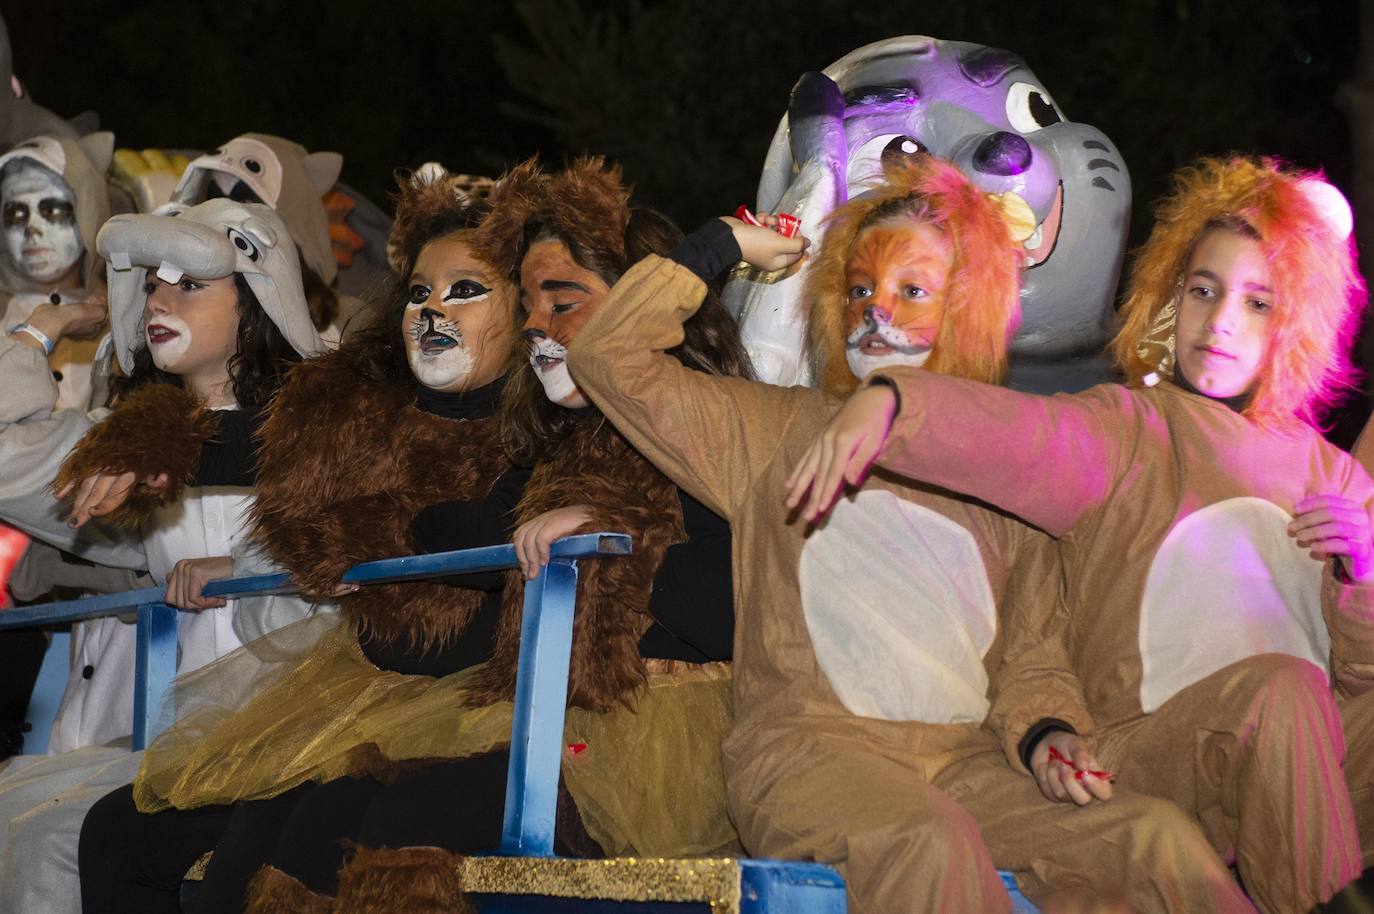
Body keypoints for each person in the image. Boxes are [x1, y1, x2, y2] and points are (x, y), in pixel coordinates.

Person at [561, 153, 1255, 913]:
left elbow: (1032, 657)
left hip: (966, 769)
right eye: (860, 289)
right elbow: (606, 357)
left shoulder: (1003, 463)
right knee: (931, 843)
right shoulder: (771, 432)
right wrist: (717, 245)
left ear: (969, 308)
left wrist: (1048, 735)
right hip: (813, 757)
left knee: (1155, 841)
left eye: (912, 290)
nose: (876, 312)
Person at [787, 156, 1374, 914]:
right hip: (1149, 755)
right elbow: (1016, 435)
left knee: (1306, 695)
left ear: (1299, 321)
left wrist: (1361, 572)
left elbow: (1358, 676)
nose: (1222, 320)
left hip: (1298, 785)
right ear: (1170, 298)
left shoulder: (1333, 475)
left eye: (1259, 302)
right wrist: (897, 402)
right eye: (1203, 290)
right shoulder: (1127, 428)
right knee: (1282, 689)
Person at [267, 156, 748, 913]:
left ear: (645, 310)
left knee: (402, 827)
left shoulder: (714, 427)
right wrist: (369, 543)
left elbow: (732, 612)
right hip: (551, 726)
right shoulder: (552, 446)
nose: (535, 326)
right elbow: (471, 540)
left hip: (655, 743)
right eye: (527, 304)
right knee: (317, 827)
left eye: (564, 300)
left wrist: (613, 534)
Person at [79, 164, 525, 914]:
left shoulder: (551, 419)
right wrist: (149, 447)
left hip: (484, 717)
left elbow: (489, 531)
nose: (431, 310)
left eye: (465, 290)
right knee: (124, 834)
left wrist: (367, 533)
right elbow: (259, 441)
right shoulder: (375, 410)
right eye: (418, 292)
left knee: (300, 853)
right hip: (361, 703)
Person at [0, 198, 326, 913]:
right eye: (150, 284)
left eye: (191, 283)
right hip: (187, 748)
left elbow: (367, 550)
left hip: (307, 742)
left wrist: (246, 571)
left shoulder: (329, 429)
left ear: (258, 300)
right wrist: (37, 330)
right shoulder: (126, 452)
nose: (158, 300)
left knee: (61, 835)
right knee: (15, 818)